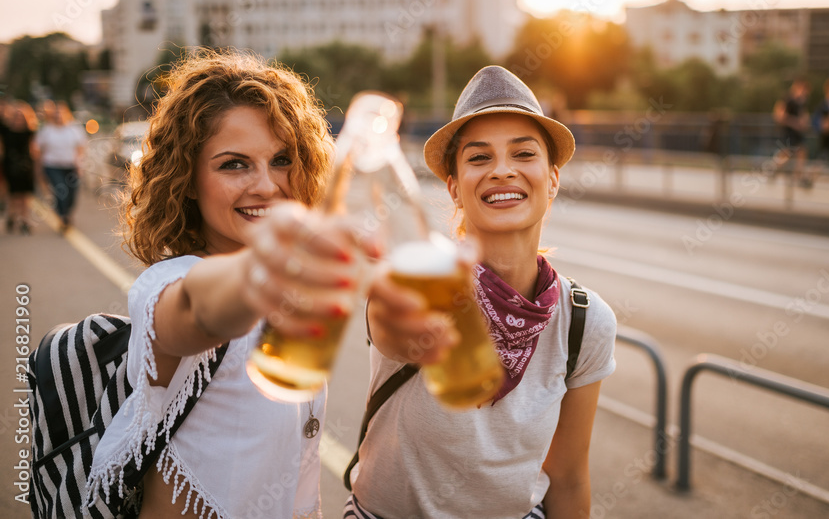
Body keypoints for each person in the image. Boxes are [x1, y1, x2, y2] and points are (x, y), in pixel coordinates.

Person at [85, 49, 454, 518]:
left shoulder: (306, 284)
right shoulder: (168, 285)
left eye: (281, 160)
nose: (265, 185)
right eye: (233, 164)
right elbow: (198, 310)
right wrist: (267, 270)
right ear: (189, 180)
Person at [347, 66, 618, 519]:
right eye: (478, 158)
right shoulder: (420, 285)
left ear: (552, 180)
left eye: (523, 154)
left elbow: (569, 479)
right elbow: (397, 324)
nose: (503, 171)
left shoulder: (585, 322)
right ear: (454, 188)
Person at [36, 100, 88, 231]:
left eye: (61, 113)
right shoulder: (47, 130)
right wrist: (39, 167)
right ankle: (63, 216)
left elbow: (81, 147)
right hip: (52, 165)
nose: (59, 116)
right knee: (61, 190)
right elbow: (38, 148)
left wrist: (79, 164)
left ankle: (67, 213)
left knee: (72, 193)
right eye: (56, 113)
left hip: (71, 166)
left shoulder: (74, 129)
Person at [0, 101, 39, 234]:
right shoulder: (5, 131)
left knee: (25, 195)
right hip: (10, 165)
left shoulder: (30, 132)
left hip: (26, 165)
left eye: (21, 116)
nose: (19, 119)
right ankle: (12, 216)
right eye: (16, 116)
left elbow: (34, 149)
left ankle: (24, 220)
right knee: (14, 194)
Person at [772, 78, 811, 187]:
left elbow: (804, 117)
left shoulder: (801, 103)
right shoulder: (787, 99)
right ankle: (773, 169)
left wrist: (804, 122)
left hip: (797, 133)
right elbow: (778, 116)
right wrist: (794, 122)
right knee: (786, 153)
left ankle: (798, 177)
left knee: (801, 152)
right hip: (788, 132)